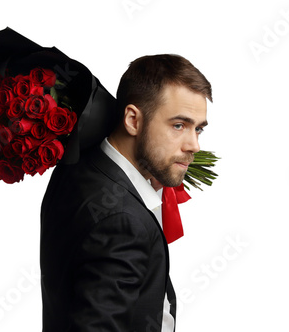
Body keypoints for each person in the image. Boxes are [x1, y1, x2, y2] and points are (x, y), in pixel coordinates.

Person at [40, 54, 212, 331]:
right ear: (132, 120)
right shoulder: (122, 222)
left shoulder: (78, 165)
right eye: (178, 125)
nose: (194, 146)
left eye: (198, 129)